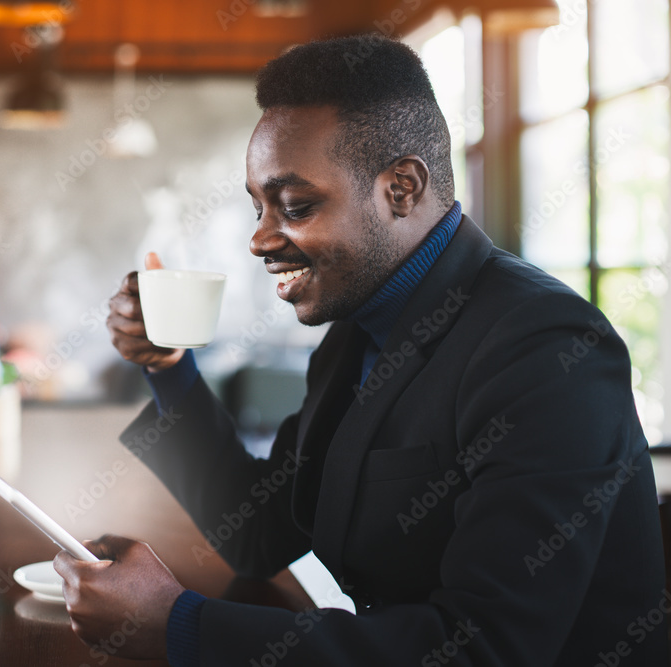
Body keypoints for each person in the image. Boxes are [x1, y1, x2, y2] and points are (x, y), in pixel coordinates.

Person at [53, 35, 669, 666]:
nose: (260, 240)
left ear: (401, 187)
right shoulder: (358, 330)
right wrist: (168, 367)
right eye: (258, 206)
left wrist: (182, 627)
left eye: (294, 205)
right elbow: (259, 532)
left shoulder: (547, 348)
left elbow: (485, 649)